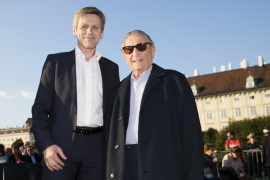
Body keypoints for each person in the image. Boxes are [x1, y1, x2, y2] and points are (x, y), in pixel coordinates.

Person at [32, 6, 120, 180]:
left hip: (97, 150)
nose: (90, 31)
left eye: (95, 27)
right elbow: (39, 110)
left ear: (102, 33)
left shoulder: (111, 68)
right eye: (84, 26)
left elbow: (114, 112)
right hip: (59, 148)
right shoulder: (55, 62)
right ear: (74, 30)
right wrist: (47, 146)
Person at [104, 30, 204, 180]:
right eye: (129, 49)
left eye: (141, 46)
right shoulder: (117, 91)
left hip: (162, 166)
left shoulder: (174, 81)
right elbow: (109, 137)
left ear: (152, 50)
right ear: (124, 56)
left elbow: (191, 135)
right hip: (124, 164)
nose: (135, 53)